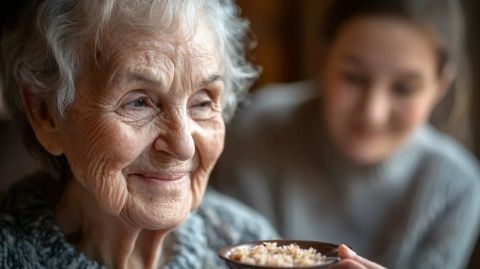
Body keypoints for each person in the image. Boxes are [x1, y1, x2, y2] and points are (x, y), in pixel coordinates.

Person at [0, 0, 383, 268]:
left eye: (203, 102)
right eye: (139, 103)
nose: (182, 145)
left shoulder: (245, 240)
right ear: (46, 113)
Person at [211, 0, 480, 268]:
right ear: (323, 59)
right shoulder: (256, 129)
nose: (372, 111)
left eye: (404, 88)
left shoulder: (455, 187)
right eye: (354, 77)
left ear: (440, 86)